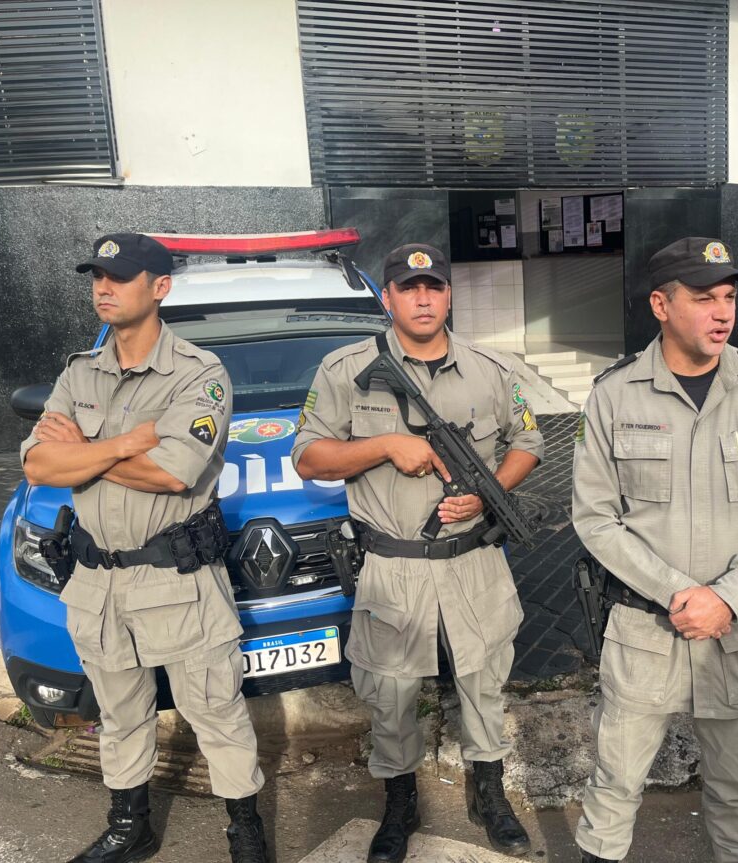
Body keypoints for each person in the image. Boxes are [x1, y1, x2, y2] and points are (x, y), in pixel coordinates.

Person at [21, 233, 269, 863]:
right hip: (98, 581)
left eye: (120, 276)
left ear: (159, 287)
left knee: (215, 711)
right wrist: (125, 443)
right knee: (119, 711)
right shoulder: (80, 371)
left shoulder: (198, 374)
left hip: (175, 579)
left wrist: (82, 450)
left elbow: (174, 472)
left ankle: (245, 832)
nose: (104, 287)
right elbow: (37, 465)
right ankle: (131, 826)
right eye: (97, 276)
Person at [292, 243, 543, 863]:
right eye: (409, 288)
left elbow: (528, 439)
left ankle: (489, 792)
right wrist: (383, 446)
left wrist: (490, 496)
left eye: (434, 287)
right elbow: (308, 457)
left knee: (484, 682)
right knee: (391, 695)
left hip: (473, 559)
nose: (423, 298)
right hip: (393, 566)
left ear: (449, 295)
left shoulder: (490, 367)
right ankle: (398, 805)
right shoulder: (345, 367)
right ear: (389, 298)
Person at [572, 237, 738, 863]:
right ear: (660, 304)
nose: (722, 312)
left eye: (728, 298)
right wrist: (680, 593)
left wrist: (727, 599)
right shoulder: (615, 395)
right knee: (615, 784)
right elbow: (595, 519)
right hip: (645, 628)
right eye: (704, 298)